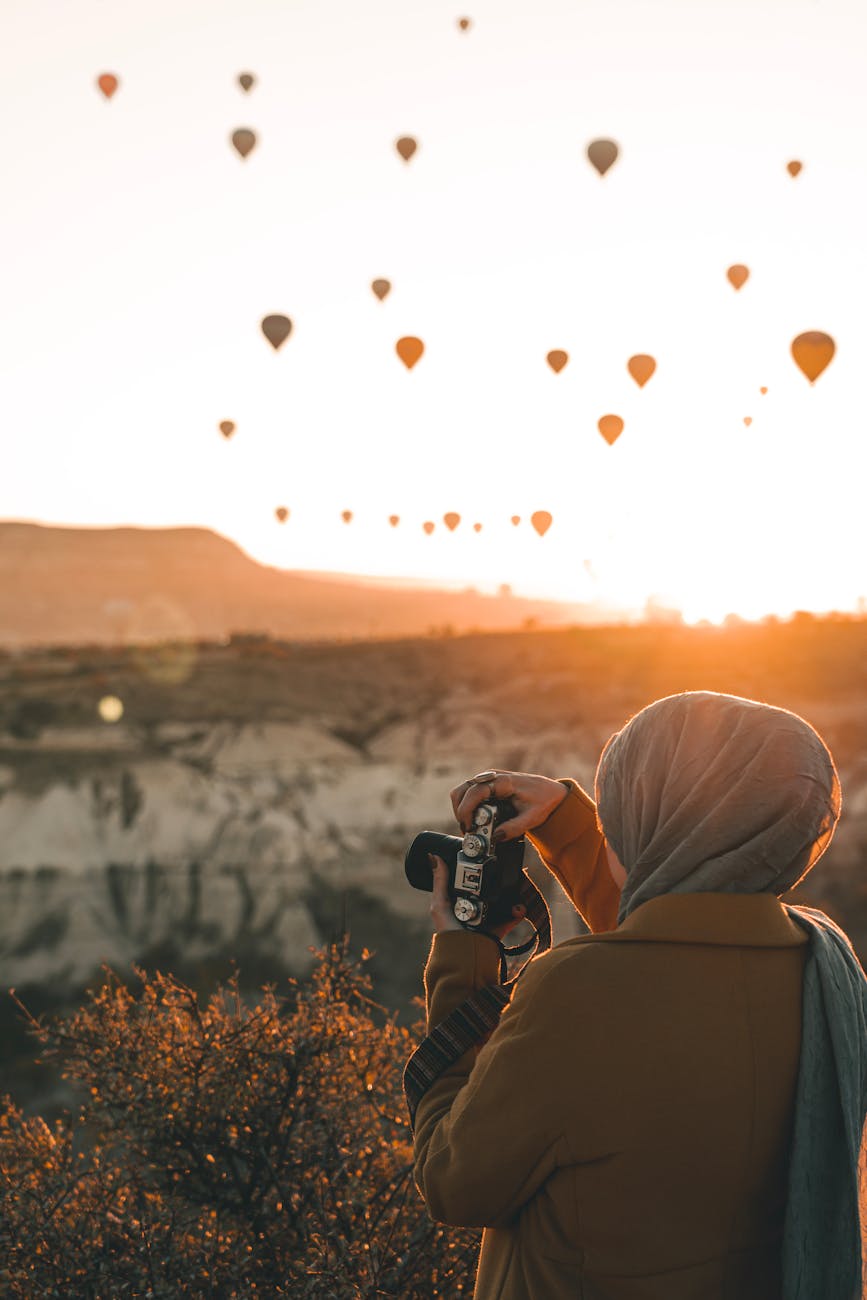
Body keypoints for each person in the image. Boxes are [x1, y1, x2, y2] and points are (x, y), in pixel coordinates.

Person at [410, 690, 867, 1300]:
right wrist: (572, 830)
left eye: (626, 806)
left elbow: (454, 1182)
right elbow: (668, 957)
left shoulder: (573, 992)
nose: (615, 820)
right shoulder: (823, 967)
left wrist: (463, 965)